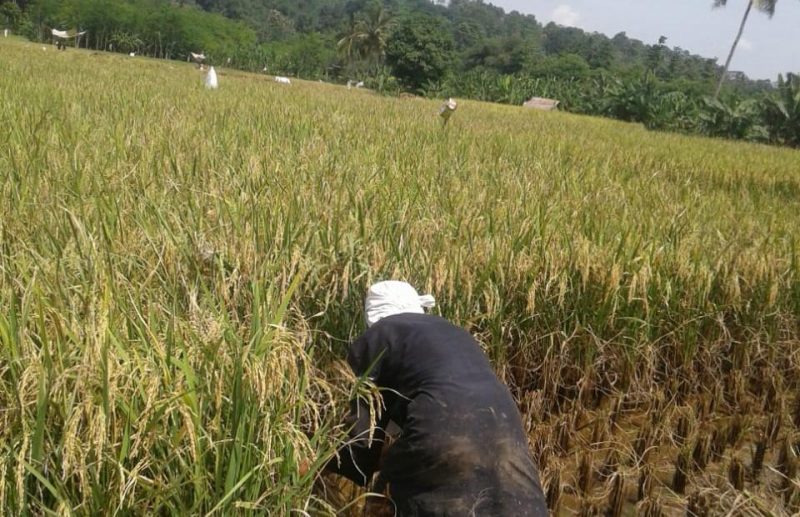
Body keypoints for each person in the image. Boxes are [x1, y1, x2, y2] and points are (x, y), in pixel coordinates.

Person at [324, 281, 548, 516]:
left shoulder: (377, 336)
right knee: (513, 503)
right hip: (506, 431)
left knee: (384, 502)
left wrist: (316, 464)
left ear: (373, 316)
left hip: (444, 432)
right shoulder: (456, 333)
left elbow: (361, 443)